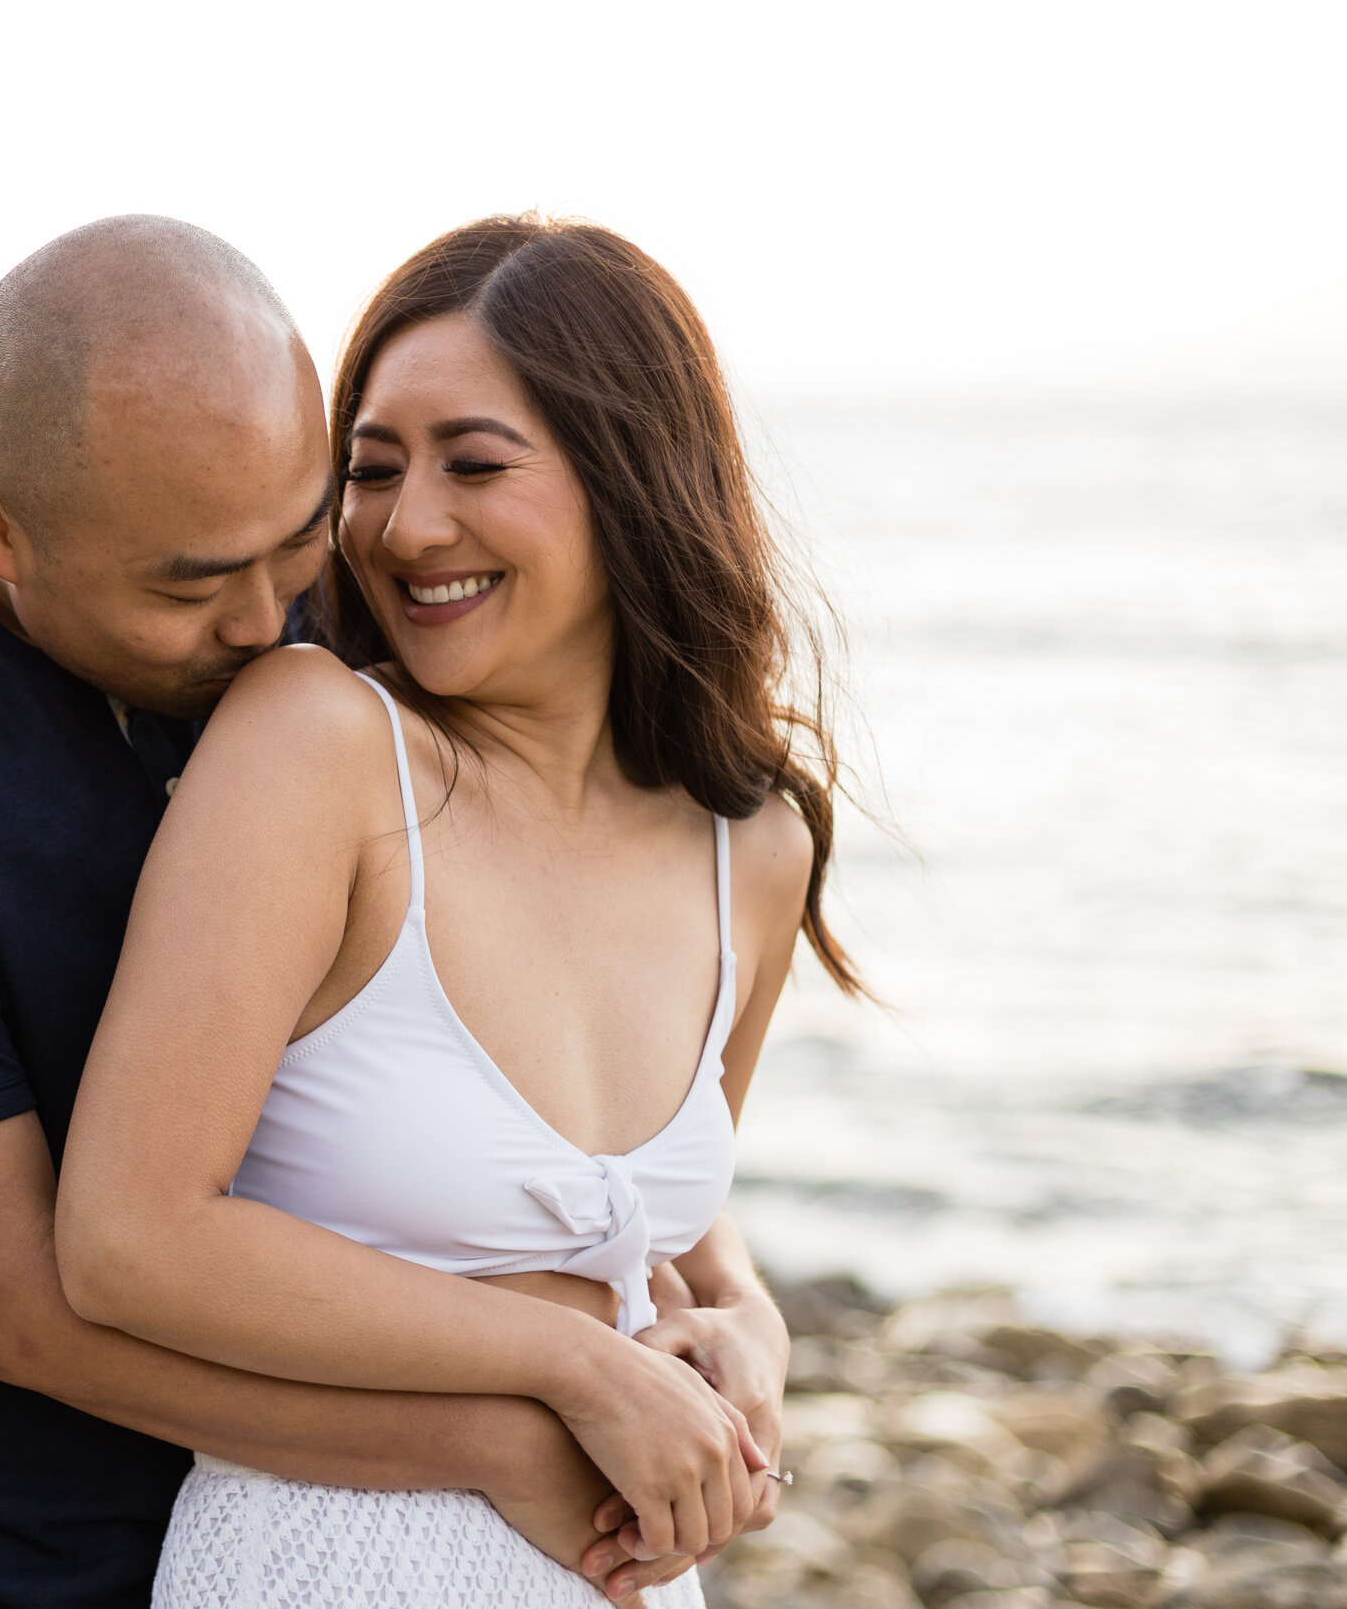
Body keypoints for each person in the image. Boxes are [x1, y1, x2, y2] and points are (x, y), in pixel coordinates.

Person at [0, 216, 713, 1608]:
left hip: (339, 1552)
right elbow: (10, 1304)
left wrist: (727, 1301)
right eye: (189, 586)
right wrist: (493, 1435)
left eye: (292, 548)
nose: (267, 622)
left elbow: (545, 1030)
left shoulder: (316, 598)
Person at [55, 214, 863, 1607]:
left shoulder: (756, 848)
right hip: (324, 1564)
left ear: (635, 482)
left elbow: (643, 1216)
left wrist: (749, 1324)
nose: (405, 525)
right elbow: (131, 1238)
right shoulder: (317, 747)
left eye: (475, 464)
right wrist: (570, 1361)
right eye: (370, 471)